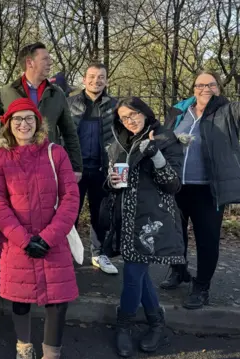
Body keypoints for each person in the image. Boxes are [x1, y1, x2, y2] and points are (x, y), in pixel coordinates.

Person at [0, 98, 80, 359]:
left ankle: (51, 354)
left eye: (29, 118)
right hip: (17, 240)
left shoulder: (55, 153)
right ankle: (24, 347)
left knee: (57, 301)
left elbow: (70, 197)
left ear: (38, 122)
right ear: (8, 125)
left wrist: (49, 237)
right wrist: (23, 239)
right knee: (20, 298)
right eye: (17, 119)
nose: (23, 124)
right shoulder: (1, 157)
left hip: (53, 237)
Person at [101, 97, 185, 357]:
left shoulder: (165, 138)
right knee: (140, 275)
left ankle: (123, 326)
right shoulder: (119, 142)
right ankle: (156, 323)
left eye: (134, 114)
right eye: (124, 117)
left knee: (133, 275)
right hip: (124, 221)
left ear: (145, 112)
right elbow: (113, 181)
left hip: (152, 221)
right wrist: (111, 181)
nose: (130, 120)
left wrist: (156, 156)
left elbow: (174, 185)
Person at [161, 70, 240, 309]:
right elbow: (165, 138)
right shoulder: (179, 110)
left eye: (211, 85)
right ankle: (179, 271)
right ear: (193, 88)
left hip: (208, 189)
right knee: (175, 235)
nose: (205, 89)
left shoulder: (227, 111)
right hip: (176, 185)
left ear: (219, 88)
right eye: (200, 85)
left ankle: (201, 286)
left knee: (207, 240)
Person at [0, 42, 83, 180]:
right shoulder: (8, 92)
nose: (50, 62)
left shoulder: (57, 93)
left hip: (48, 163)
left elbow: (69, 132)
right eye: (45, 59)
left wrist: (76, 167)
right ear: (30, 62)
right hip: (15, 165)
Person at [67, 62, 119, 275]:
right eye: (91, 76)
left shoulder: (114, 106)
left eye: (100, 77)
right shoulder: (69, 104)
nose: (95, 81)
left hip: (102, 170)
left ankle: (99, 254)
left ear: (106, 80)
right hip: (74, 171)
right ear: (83, 79)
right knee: (70, 215)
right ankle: (68, 255)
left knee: (101, 216)